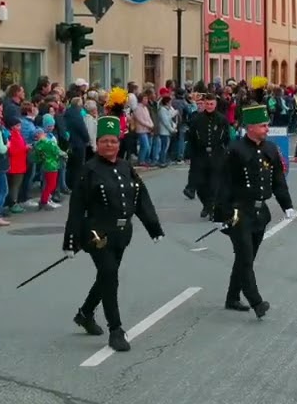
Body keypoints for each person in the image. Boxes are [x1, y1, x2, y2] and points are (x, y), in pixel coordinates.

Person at [64, 115, 166, 353]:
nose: (109, 145)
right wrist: (71, 240)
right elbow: (77, 208)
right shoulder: (88, 170)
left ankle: (85, 313)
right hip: (97, 235)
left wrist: (153, 227)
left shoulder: (125, 166)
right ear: (97, 143)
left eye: (113, 141)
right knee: (110, 276)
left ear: (119, 143)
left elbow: (141, 198)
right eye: (104, 141)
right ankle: (116, 329)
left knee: (106, 277)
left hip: (122, 233)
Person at [212, 96, 295, 317]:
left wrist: (287, 205)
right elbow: (223, 184)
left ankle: (232, 297)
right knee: (246, 258)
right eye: (263, 125)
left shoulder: (270, 148)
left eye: (267, 125)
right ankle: (257, 303)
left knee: (245, 259)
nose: (267, 129)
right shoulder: (235, 150)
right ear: (250, 127)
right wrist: (220, 215)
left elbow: (278, 179)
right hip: (239, 212)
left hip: (260, 213)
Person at [183, 90, 231, 219]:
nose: (209, 106)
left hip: (217, 155)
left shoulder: (222, 119)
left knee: (214, 184)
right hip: (200, 155)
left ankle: (212, 207)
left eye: (211, 104)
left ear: (215, 104)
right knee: (201, 185)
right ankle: (206, 205)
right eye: (207, 104)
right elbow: (191, 138)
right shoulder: (197, 119)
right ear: (204, 104)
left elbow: (227, 138)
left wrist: (227, 152)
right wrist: (188, 155)